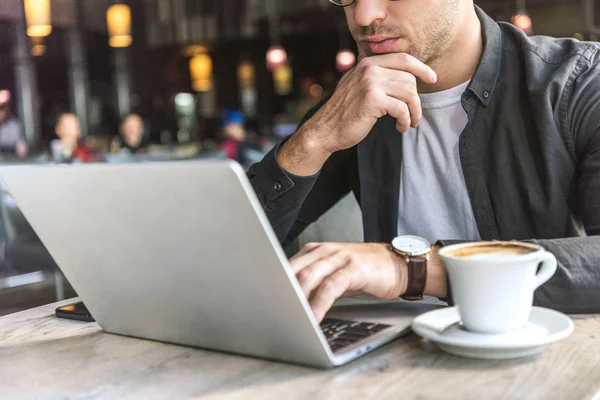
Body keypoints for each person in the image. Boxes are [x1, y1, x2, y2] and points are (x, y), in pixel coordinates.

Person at [248, 0, 600, 322]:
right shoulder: (355, 102)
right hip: (400, 370)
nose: (364, 16)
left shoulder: (578, 82)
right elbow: (231, 252)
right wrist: (313, 140)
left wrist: (411, 270)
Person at [0, 90, 28, 159]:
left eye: (2, 112)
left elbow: (20, 144)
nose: (1, 115)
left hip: (14, 158)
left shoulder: (14, 125)